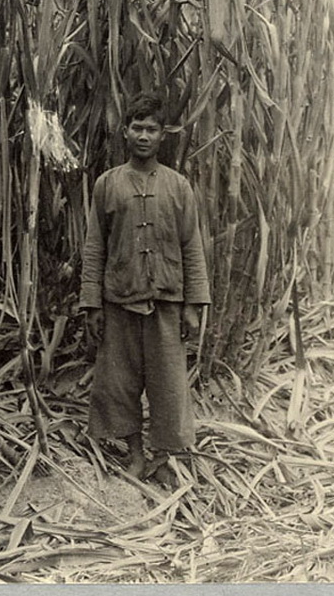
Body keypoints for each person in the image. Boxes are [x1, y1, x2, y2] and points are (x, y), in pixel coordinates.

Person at [79, 92, 210, 480]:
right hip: (119, 301)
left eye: (152, 129)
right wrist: (92, 304)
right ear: (125, 132)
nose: (144, 135)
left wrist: (193, 305)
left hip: (167, 303)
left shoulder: (178, 187)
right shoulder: (108, 184)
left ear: (163, 136)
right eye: (137, 127)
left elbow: (192, 247)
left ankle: (162, 457)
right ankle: (134, 454)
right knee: (119, 385)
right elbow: (94, 247)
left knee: (169, 386)